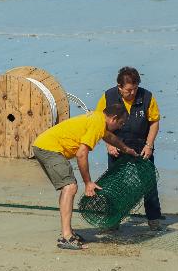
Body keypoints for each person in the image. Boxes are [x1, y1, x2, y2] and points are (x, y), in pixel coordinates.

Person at [32, 104, 137, 250]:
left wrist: (125, 149)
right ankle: (66, 237)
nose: (120, 127)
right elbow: (81, 154)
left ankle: (67, 232)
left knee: (68, 187)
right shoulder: (97, 124)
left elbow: (109, 137)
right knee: (70, 187)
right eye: (121, 123)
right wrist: (88, 182)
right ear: (113, 118)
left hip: (44, 145)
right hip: (49, 148)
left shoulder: (98, 119)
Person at [96, 66, 163, 231]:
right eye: (128, 90)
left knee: (149, 183)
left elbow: (154, 121)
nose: (132, 93)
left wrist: (149, 145)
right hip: (116, 145)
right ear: (119, 87)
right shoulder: (108, 97)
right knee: (114, 185)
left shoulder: (147, 97)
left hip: (142, 146)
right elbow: (99, 123)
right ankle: (113, 220)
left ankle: (154, 219)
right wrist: (109, 144)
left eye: (135, 88)